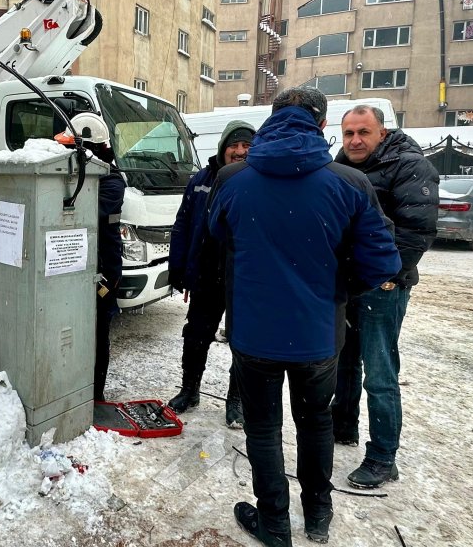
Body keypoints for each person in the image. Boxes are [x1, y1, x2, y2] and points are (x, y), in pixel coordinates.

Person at [204, 88, 400, 546]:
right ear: (321, 126)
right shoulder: (349, 182)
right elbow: (383, 263)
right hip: (318, 333)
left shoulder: (233, 178)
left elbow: (217, 233)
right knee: (316, 422)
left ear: (273, 121)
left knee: (263, 428)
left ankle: (274, 523)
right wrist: (335, 288)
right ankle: (318, 515)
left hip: (254, 333)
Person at [332, 105, 440, 489]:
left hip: (384, 286)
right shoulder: (340, 167)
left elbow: (417, 231)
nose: (355, 140)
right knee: (345, 361)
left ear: (382, 132)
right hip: (350, 284)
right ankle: (341, 426)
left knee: (379, 373)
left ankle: (382, 457)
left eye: (364, 132)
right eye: (349, 134)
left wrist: (387, 276)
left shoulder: (409, 166)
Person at [166, 119, 253, 427]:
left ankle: (237, 401)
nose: (240, 151)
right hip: (206, 274)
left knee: (243, 342)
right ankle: (189, 390)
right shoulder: (201, 179)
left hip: (244, 279)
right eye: (235, 144)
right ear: (223, 147)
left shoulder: (259, 180)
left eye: (247, 145)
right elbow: (183, 223)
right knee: (195, 335)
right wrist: (177, 265)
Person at [55, 114, 125, 402]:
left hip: (104, 272)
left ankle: (95, 394)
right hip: (78, 267)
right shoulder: (74, 176)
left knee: (96, 333)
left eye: (73, 149)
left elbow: (81, 215)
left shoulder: (111, 182)